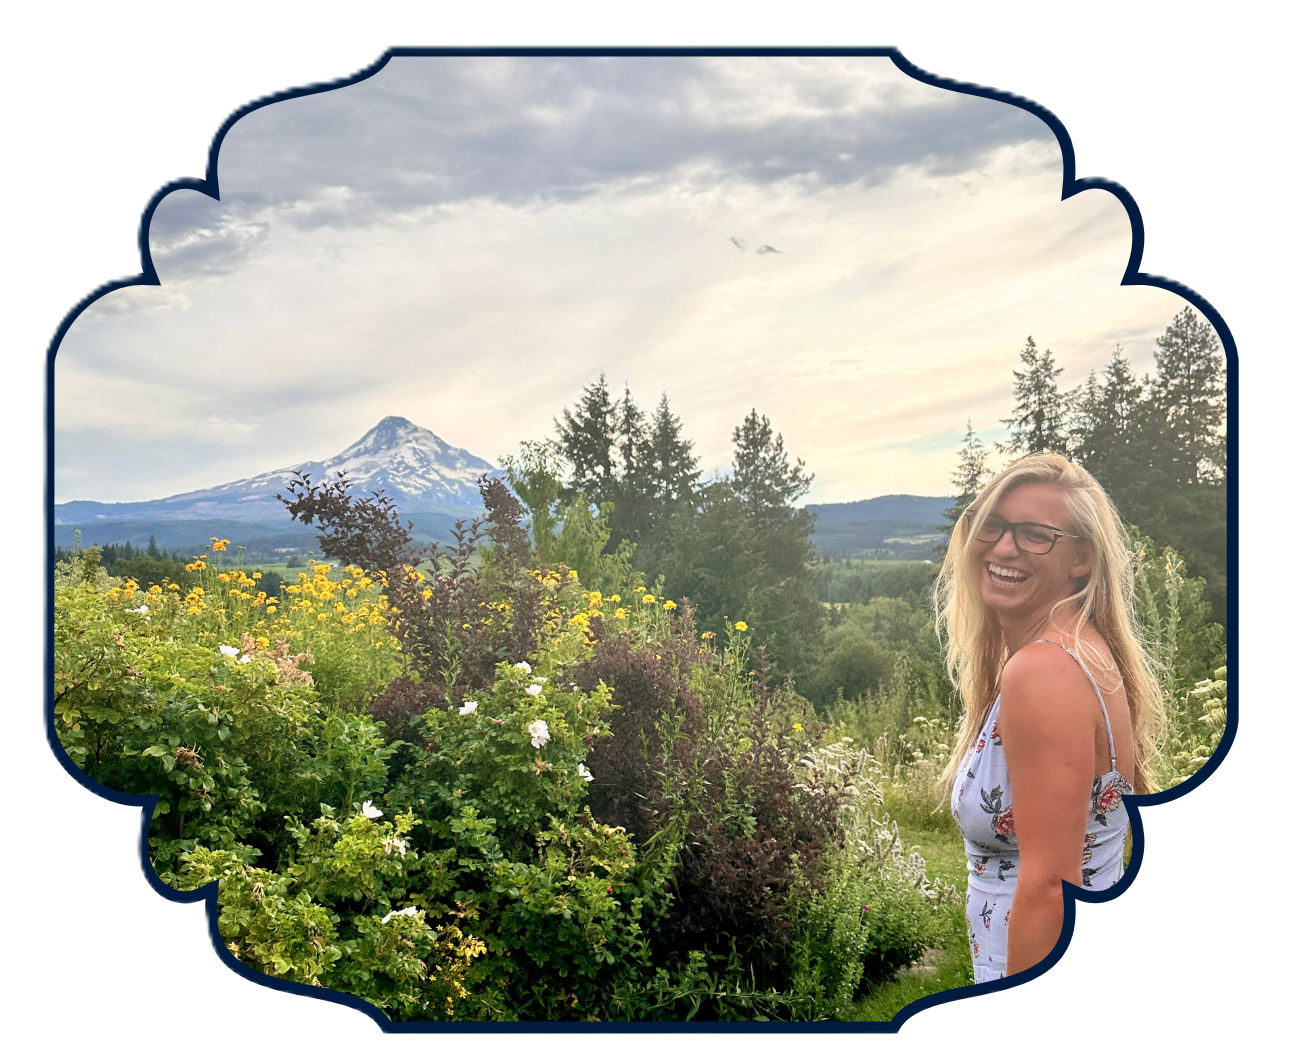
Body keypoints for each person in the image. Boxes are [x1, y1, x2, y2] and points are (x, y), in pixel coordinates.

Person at [935, 454, 1165, 983]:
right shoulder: (1078, 651)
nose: (1003, 548)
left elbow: (1051, 888)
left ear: (1082, 558)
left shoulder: (1043, 672)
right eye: (992, 525)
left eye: (1035, 535)